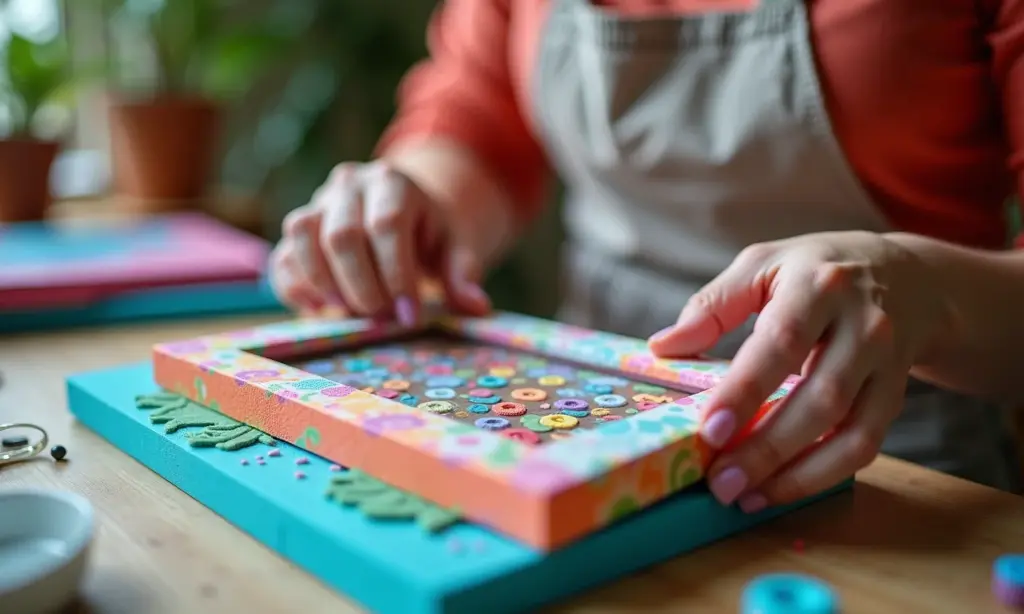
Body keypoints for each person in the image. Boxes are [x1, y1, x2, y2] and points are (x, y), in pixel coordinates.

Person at [269, 0, 1024, 511]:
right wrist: (414, 204)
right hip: (569, 437)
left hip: (891, 472)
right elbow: (479, 116)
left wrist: (925, 292)